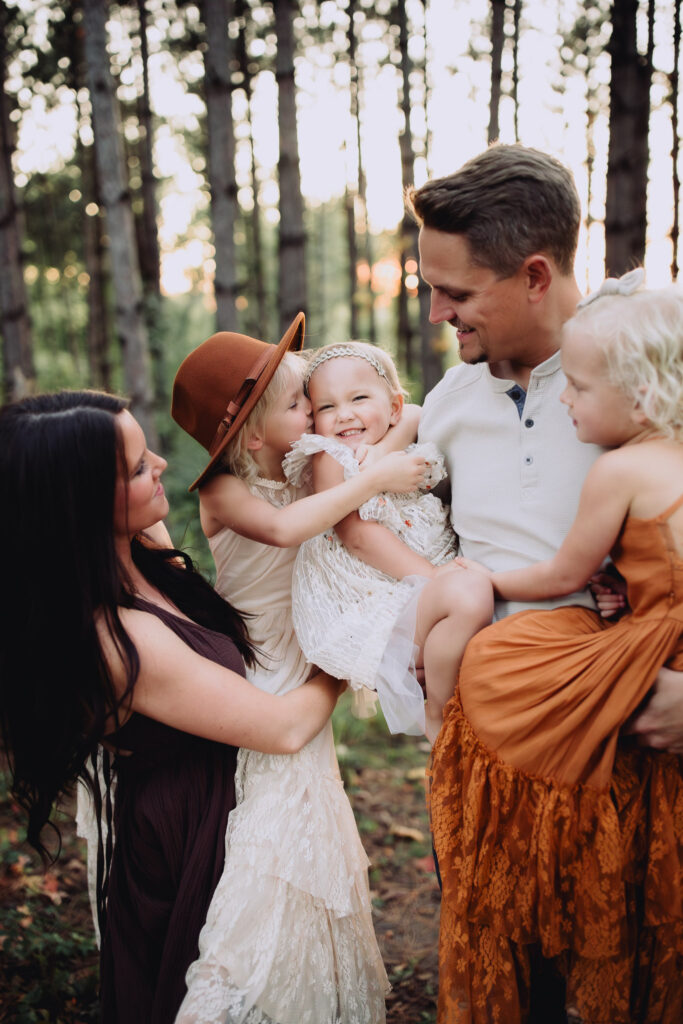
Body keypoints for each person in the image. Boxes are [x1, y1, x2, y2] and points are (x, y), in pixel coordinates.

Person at [407, 144, 683, 1021]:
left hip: (619, 760)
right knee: (499, 981)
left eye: (455, 292)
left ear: (533, 274)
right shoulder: (447, 400)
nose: (436, 312)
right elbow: (414, 538)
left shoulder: (639, 382)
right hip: (485, 761)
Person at [0, 389, 346, 1024]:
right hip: (190, 829)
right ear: (76, 506)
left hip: (224, 799)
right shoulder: (118, 638)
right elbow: (286, 726)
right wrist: (343, 650)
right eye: (136, 468)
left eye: (146, 448)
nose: (161, 463)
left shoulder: (137, 552)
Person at [170, 314, 429, 1024]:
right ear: (250, 430)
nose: (314, 414)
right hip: (263, 674)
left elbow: (392, 423)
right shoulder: (224, 492)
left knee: (313, 827)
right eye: (297, 404)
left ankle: (312, 994)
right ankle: (235, 989)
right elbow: (291, 530)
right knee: (274, 833)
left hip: (304, 657)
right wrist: (374, 473)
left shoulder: (298, 468)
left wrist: (396, 424)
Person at [290, 340, 493, 742]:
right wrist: (436, 579)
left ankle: (453, 704)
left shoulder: (394, 439)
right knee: (468, 597)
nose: (344, 415)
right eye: (326, 407)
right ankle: (436, 710)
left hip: (408, 583)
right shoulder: (330, 455)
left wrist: (382, 451)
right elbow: (357, 535)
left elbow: (416, 411)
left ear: (392, 408)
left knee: (472, 608)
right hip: (370, 599)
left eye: (358, 398)